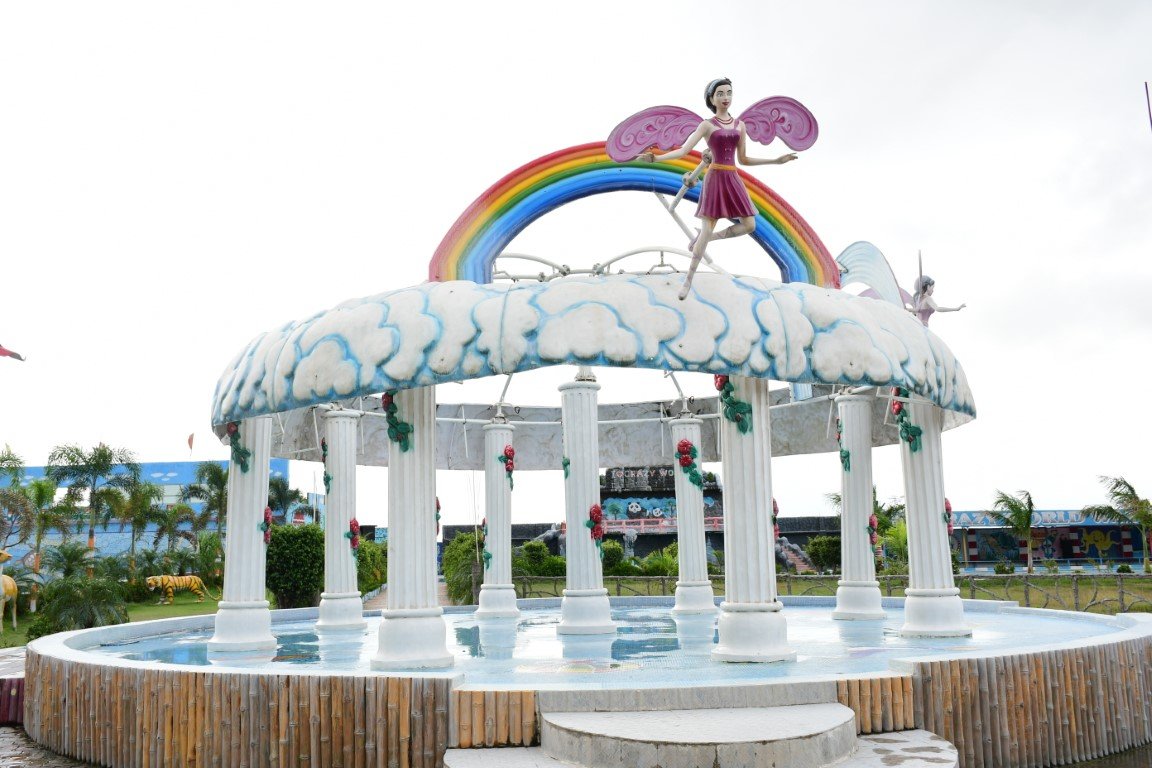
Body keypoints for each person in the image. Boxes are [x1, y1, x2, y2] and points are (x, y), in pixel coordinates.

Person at [637, 78, 797, 299]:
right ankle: (688, 280)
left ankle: (708, 239)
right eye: (720, 94)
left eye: (728, 93)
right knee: (707, 227)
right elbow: (684, 150)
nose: (725, 98)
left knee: (749, 225)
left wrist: (776, 161)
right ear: (712, 99)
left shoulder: (740, 125)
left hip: (732, 176)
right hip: (715, 176)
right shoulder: (707, 125)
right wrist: (656, 158)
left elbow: (744, 159)